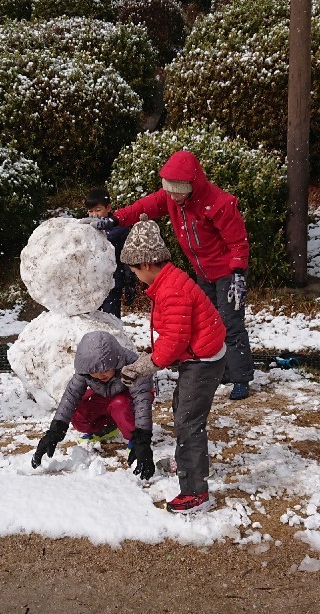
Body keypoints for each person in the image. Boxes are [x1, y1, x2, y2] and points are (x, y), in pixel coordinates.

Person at [94, 150, 253, 400]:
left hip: (225, 273)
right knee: (209, 325)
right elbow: (143, 207)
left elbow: (238, 242)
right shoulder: (171, 198)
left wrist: (238, 273)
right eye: (169, 191)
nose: (172, 196)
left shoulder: (219, 203)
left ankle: (241, 377)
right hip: (202, 272)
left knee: (230, 324)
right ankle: (222, 368)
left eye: (178, 191)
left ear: (192, 185)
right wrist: (116, 219)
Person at [116, 214, 226, 514]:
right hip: (198, 356)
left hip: (202, 361)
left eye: (134, 270)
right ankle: (189, 461)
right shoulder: (168, 280)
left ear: (147, 264)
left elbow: (175, 340)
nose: (134, 276)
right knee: (183, 410)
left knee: (188, 423)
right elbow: (174, 334)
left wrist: (144, 365)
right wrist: (153, 354)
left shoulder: (171, 289)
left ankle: (195, 492)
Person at [30, 331, 155, 479]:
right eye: (95, 372)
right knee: (81, 407)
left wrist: (142, 441)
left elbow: (142, 402)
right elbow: (70, 397)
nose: (101, 375)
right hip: (106, 397)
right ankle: (107, 428)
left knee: (120, 404)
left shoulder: (133, 365)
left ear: (116, 361)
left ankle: (132, 437)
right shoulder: (85, 371)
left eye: (106, 369)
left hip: (129, 401)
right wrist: (54, 432)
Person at [83, 188, 138, 318]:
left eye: (98, 210)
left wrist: (129, 281)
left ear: (108, 208)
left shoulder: (119, 229)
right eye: (90, 211)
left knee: (110, 318)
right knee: (92, 320)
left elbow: (127, 257)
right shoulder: (85, 229)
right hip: (91, 284)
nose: (94, 215)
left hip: (112, 283)